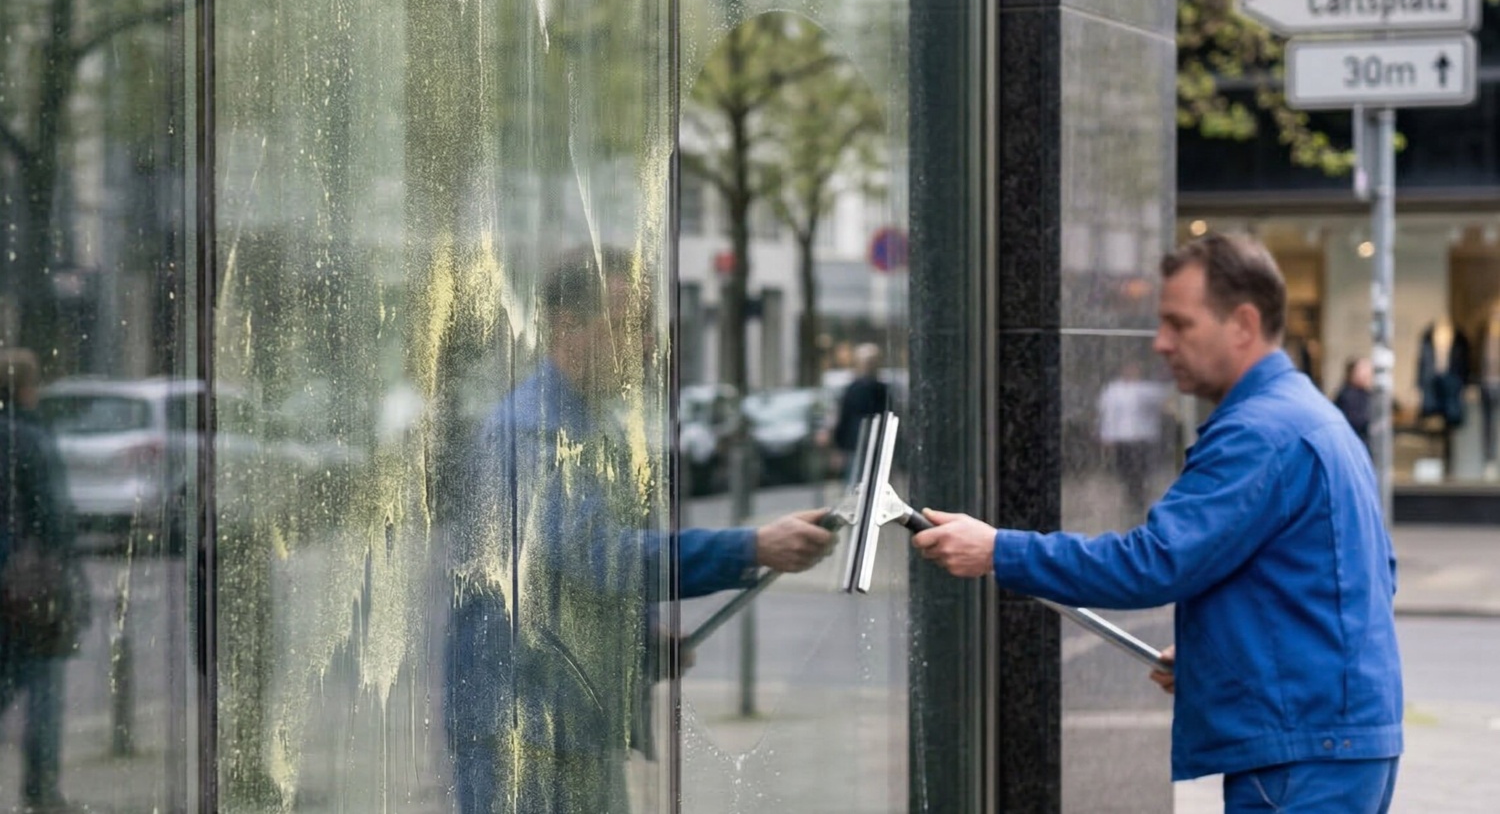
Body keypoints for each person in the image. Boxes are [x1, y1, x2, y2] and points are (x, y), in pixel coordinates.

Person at [910, 234, 1402, 813]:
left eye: (1179, 323)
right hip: (1341, 741)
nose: (1160, 342)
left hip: (1302, 752)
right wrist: (1218, 656)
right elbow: (1367, 578)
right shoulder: (1314, 416)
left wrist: (998, 549)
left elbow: (1155, 562)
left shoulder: (1260, 433)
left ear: (1242, 324)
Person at [444, 247, 835, 814]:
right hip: (526, 737)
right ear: (566, 328)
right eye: (629, 327)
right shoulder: (533, 431)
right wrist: (750, 545)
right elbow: (594, 557)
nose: (649, 346)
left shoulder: (578, 422)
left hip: (562, 724)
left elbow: (565, 581)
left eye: (648, 329)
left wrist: (642, 635)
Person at [1, 348, 85, 814]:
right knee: (43, 687)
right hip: (28, 585)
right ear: (27, 390)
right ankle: (40, 789)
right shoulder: (32, 439)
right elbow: (55, 520)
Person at [1096, 360, 1169, 516]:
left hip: (1143, 438)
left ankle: (1140, 494)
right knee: (1126, 469)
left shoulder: (1146, 389)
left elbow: (1162, 400)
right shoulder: (1113, 390)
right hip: (1123, 438)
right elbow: (1107, 415)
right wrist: (1106, 435)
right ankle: (1132, 494)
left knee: (1141, 469)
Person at [829, 343, 890, 481]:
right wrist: (839, 446)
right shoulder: (855, 389)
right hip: (857, 441)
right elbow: (844, 417)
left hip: (875, 439)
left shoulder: (881, 389)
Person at [1334, 356, 1374, 451]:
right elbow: (1357, 421)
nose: (1368, 374)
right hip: (1354, 445)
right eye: (1363, 370)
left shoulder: (1364, 393)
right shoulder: (1349, 395)